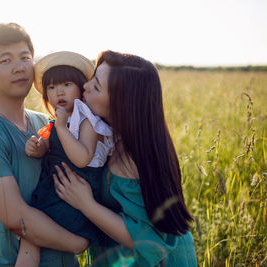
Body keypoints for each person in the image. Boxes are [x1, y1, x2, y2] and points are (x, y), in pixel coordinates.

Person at [54, 50, 198, 266]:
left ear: (121, 103)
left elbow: (147, 239)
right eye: (92, 78)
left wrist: (86, 204)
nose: (85, 86)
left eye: (97, 86)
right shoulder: (130, 138)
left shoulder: (130, 158)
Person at [0, 23, 88, 267]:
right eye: (5, 60)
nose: (19, 67)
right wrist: (79, 243)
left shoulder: (45, 123)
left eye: (25, 57)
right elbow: (16, 218)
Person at [20, 51, 113, 260]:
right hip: (56, 190)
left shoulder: (87, 120)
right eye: (51, 88)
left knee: (31, 231)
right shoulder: (61, 120)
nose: (59, 92)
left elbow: (82, 158)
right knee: (31, 230)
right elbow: (52, 147)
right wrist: (39, 148)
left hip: (75, 194)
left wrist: (61, 128)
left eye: (66, 85)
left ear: (81, 87)